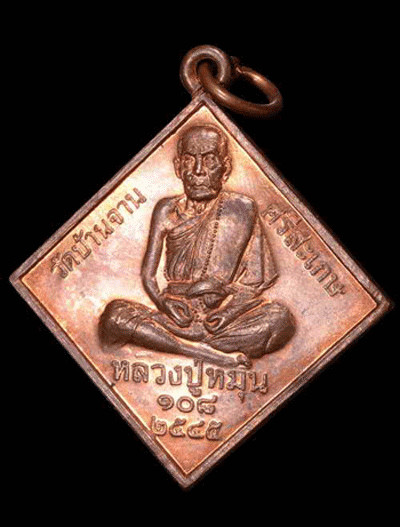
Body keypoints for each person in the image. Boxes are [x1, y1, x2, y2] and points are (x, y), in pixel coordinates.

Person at [99, 124, 295, 368]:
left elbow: (254, 282)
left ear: (225, 168)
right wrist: (163, 302)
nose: (199, 170)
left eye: (209, 160)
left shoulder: (242, 208)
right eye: (189, 160)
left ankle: (170, 344)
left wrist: (227, 313)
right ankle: (205, 353)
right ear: (178, 167)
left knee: (281, 320)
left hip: (220, 319)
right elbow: (148, 275)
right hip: (174, 316)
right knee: (114, 315)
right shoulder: (166, 210)